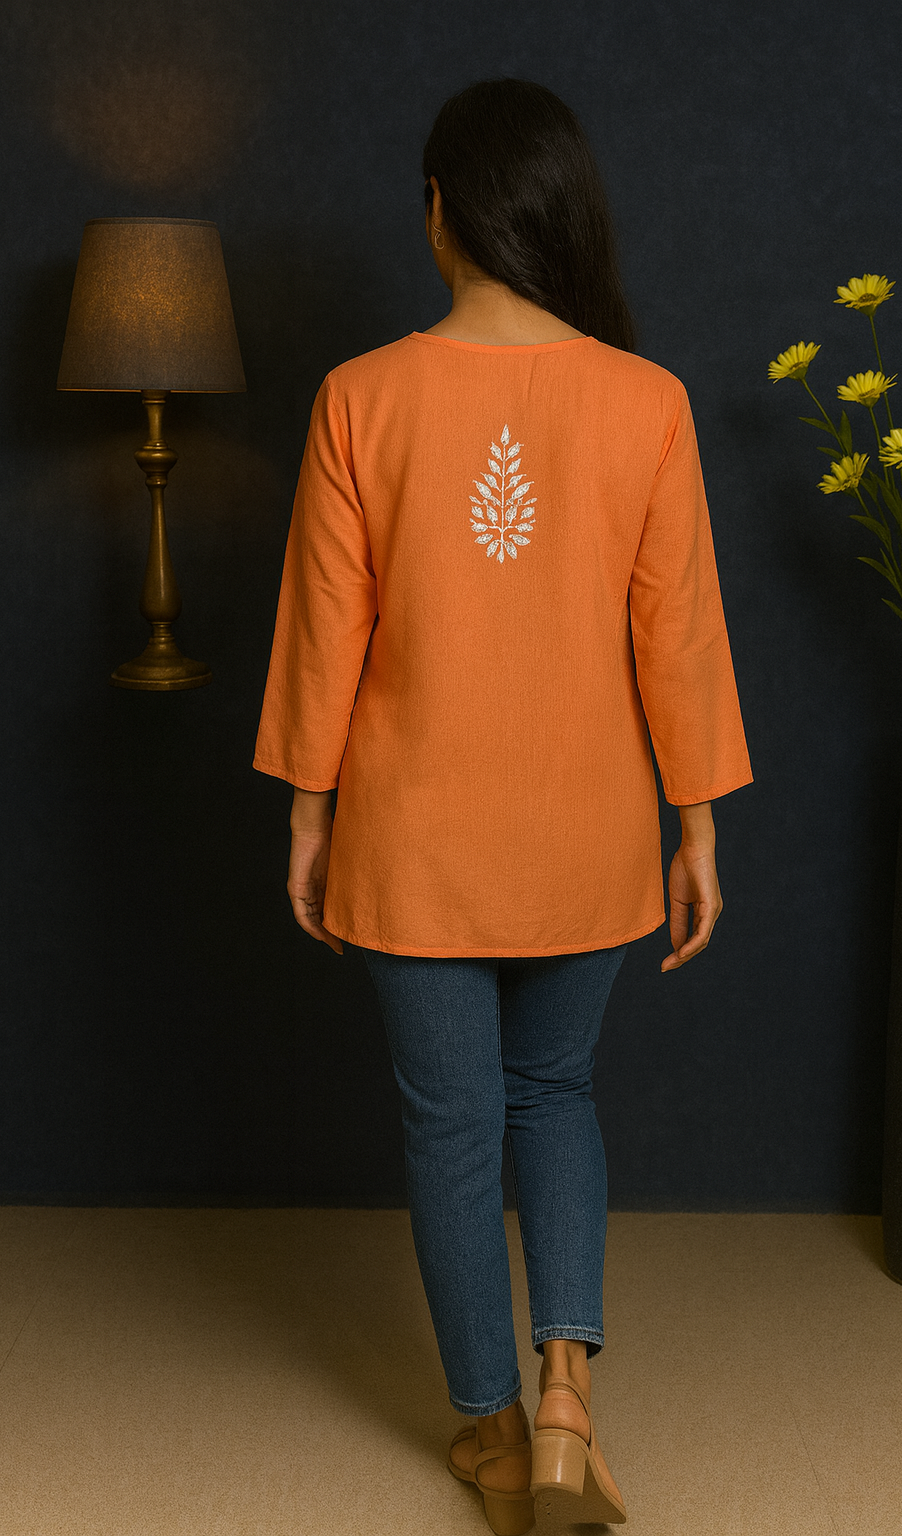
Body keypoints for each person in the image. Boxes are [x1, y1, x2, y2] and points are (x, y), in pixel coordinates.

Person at [253, 77, 752, 1535]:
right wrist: (697, 822)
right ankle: (567, 1404)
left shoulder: (361, 397)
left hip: (413, 832)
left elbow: (325, 632)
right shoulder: (647, 401)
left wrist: (308, 813)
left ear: (440, 214)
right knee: (556, 1093)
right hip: (590, 827)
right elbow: (679, 633)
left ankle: (488, 1431)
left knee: (453, 1127)